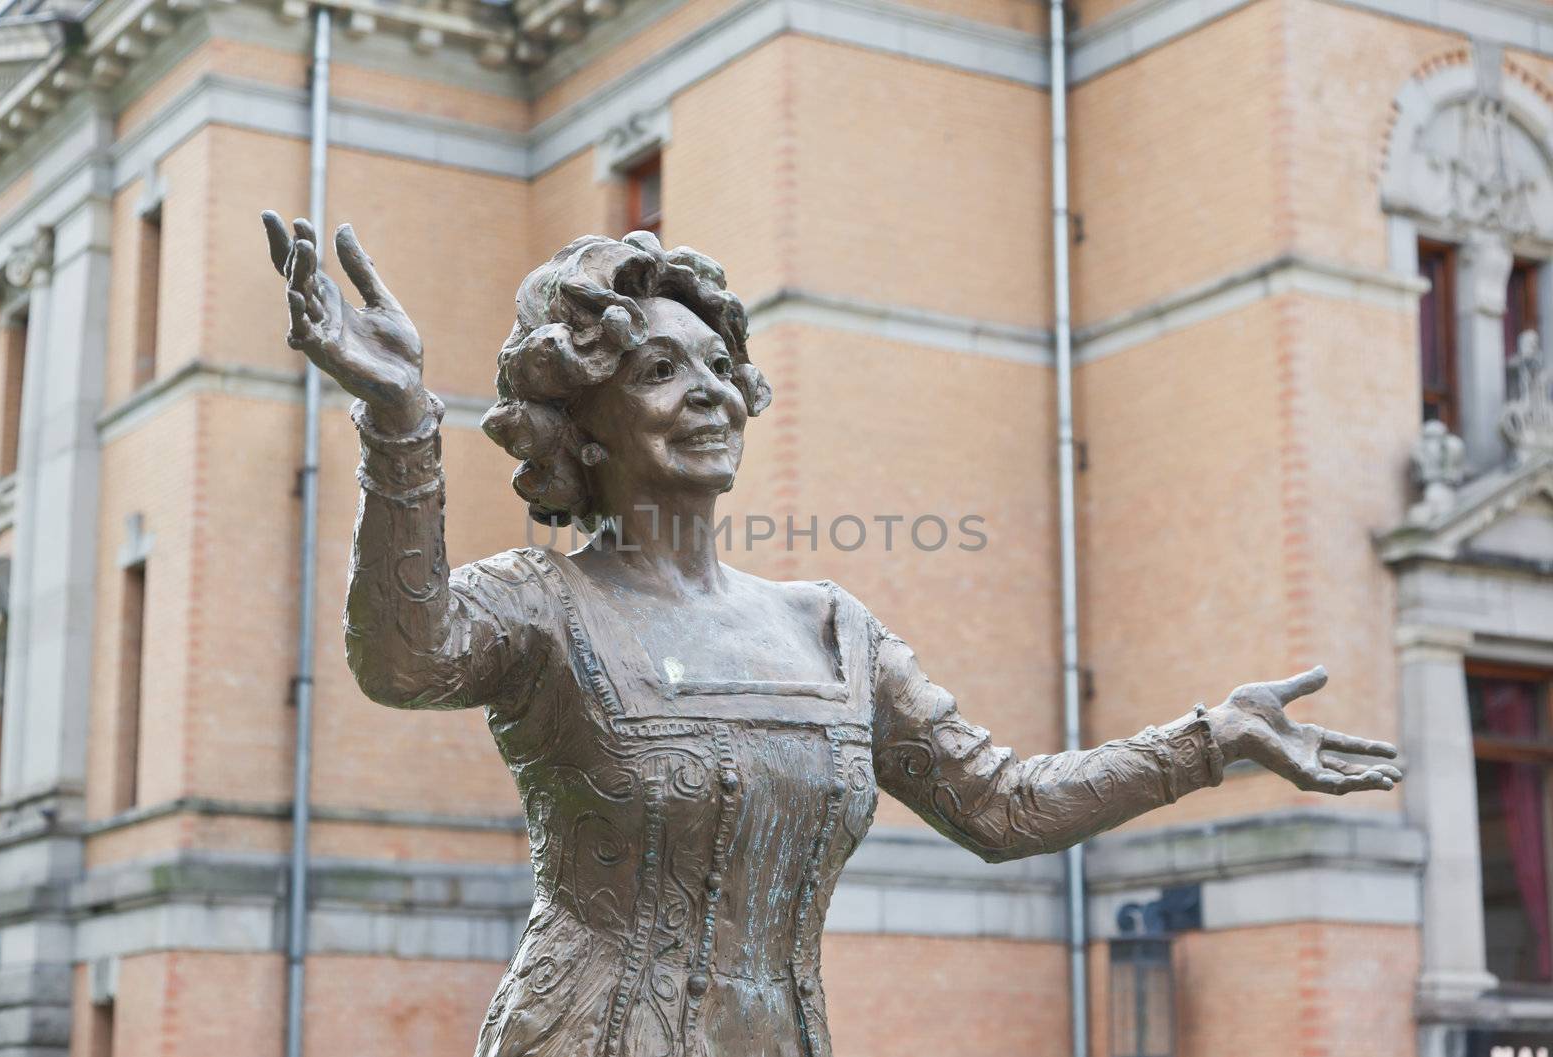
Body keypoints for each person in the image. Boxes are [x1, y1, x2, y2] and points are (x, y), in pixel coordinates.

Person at [261, 214, 1403, 1057]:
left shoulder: (828, 628)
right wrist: (403, 422)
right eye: (659, 370)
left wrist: (1212, 738)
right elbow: (403, 660)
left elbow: (1000, 806)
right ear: (583, 422)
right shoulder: (544, 603)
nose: (709, 393)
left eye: (719, 367)